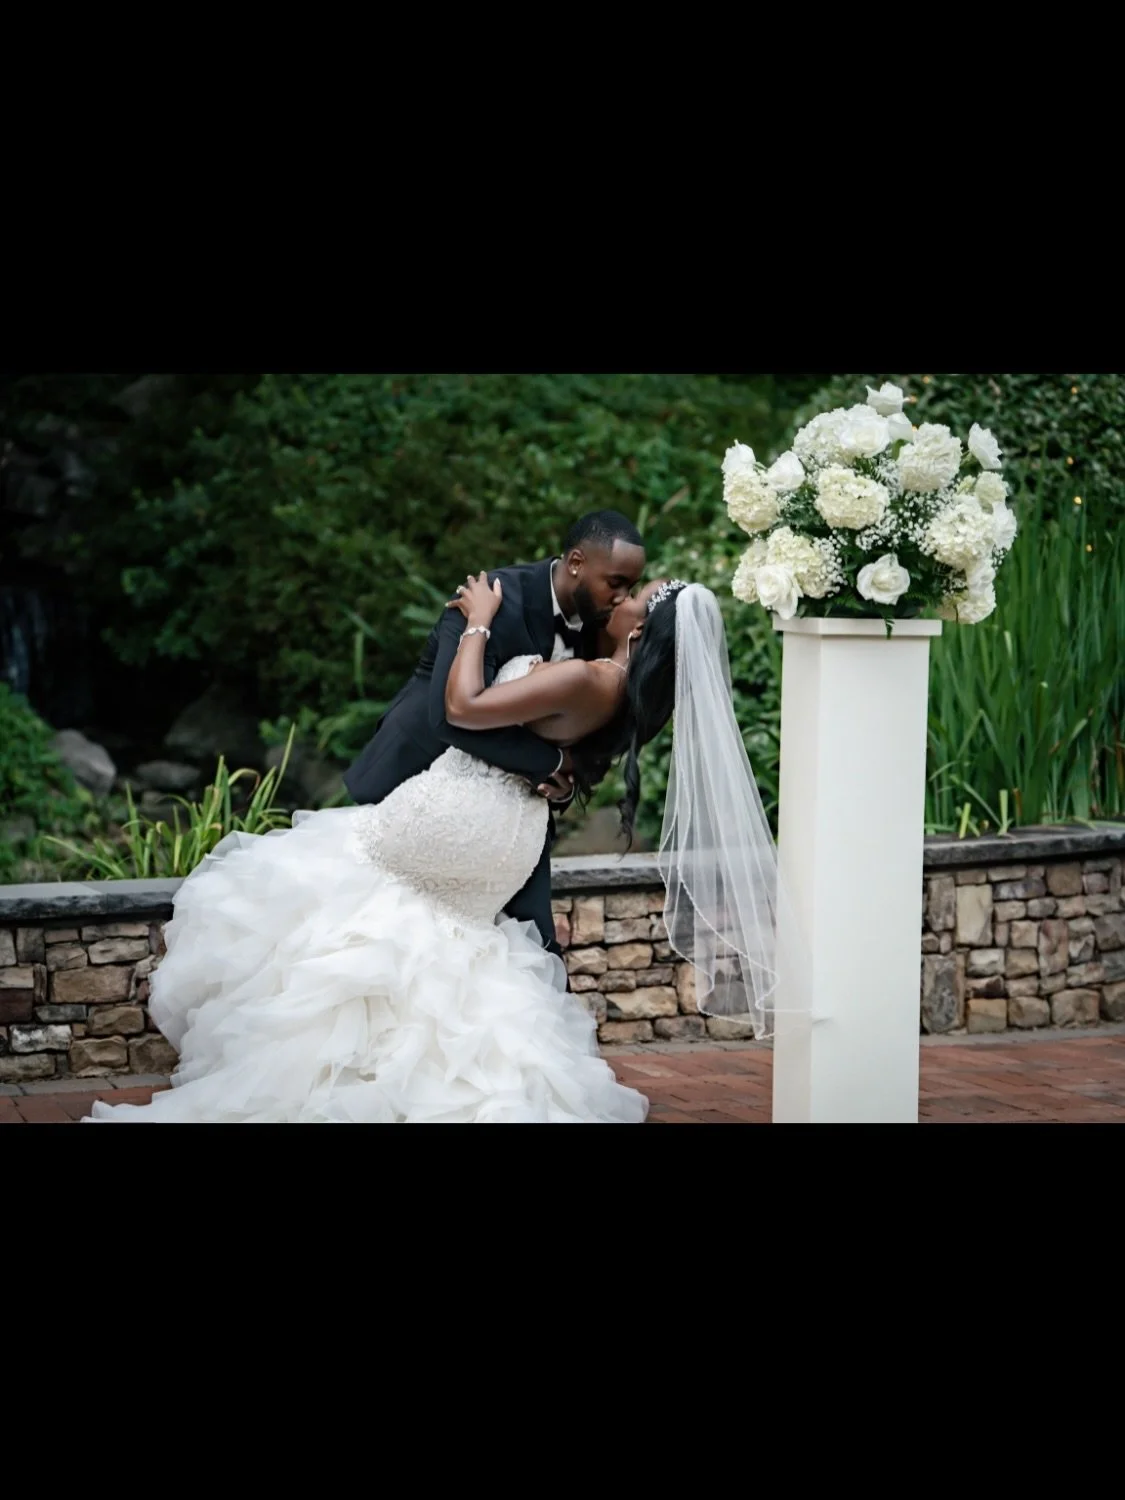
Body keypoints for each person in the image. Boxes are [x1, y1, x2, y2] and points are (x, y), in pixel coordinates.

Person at [85, 576, 789, 1124]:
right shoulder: (623, 693)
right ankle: (407, 1084)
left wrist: (478, 621)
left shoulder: (589, 677)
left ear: (644, 626)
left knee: (355, 910)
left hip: (457, 815)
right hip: (505, 836)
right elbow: (555, 753)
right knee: (437, 948)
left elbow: (463, 708)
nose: (624, 597)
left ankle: (335, 1084)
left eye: (637, 595)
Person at [341, 510, 646, 964]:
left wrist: (566, 774)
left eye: (630, 587)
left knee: (537, 946)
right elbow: (451, 718)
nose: (622, 598)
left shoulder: (601, 629)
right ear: (577, 561)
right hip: (413, 784)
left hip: (511, 815)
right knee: (382, 937)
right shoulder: (496, 601)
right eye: (615, 582)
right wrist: (549, 765)